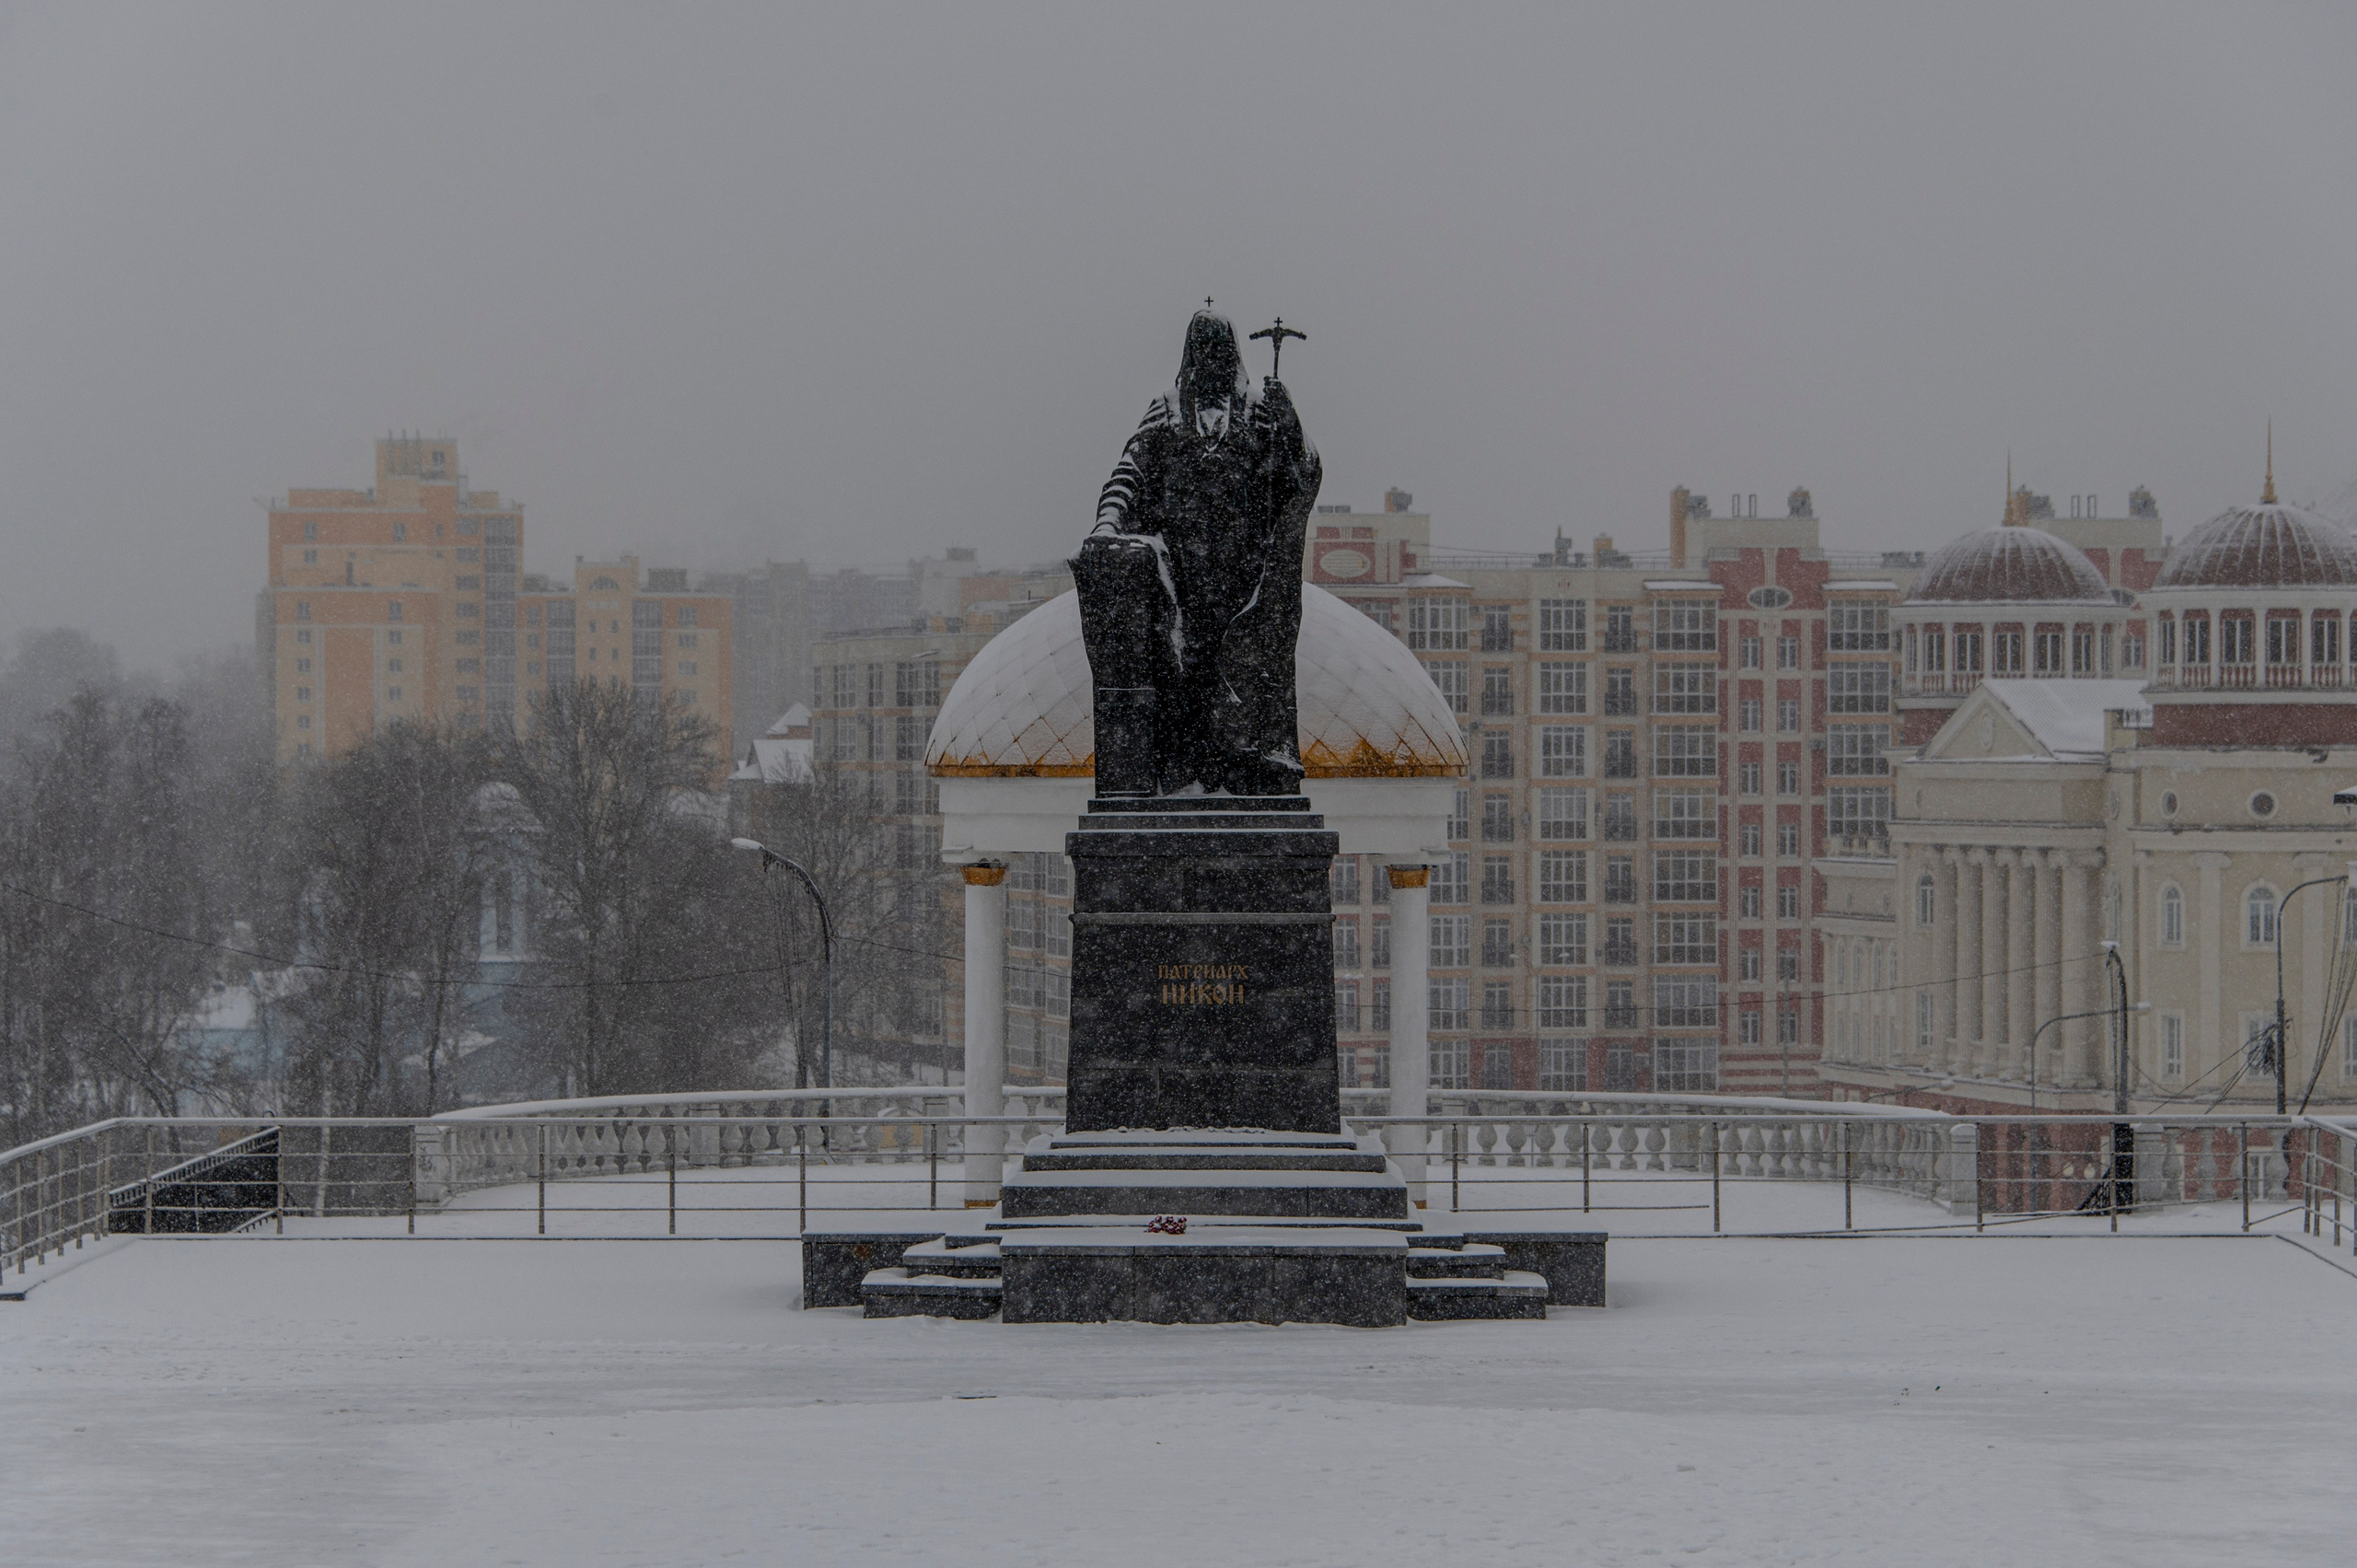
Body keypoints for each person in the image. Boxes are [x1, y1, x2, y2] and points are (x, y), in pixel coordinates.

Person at [1073, 307, 1321, 796]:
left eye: (1219, 350)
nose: (1210, 360)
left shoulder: (1257, 409)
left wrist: (1288, 425)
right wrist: (1107, 523)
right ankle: (1186, 779)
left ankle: (1247, 769)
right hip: (1184, 576)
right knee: (1184, 678)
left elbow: (1301, 472)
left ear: (1233, 356)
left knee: (1243, 674)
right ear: (1189, 355)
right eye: (1201, 350)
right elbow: (1130, 471)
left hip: (1244, 576)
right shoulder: (1167, 409)